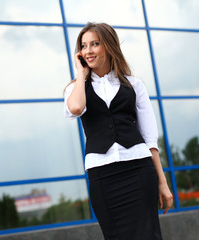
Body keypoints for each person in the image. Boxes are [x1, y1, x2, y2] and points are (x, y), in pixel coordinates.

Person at [63, 22, 173, 240]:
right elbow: (75, 108)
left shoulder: (134, 85)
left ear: (109, 46)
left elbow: (150, 140)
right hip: (102, 178)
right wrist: (81, 74)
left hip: (138, 171)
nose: (88, 51)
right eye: (84, 46)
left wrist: (162, 182)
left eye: (95, 44)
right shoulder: (75, 88)